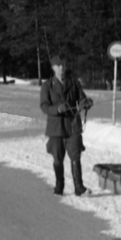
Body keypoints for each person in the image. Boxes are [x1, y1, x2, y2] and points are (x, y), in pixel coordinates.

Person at [40, 54, 93, 196]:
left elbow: (81, 98)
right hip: (56, 128)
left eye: (63, 64)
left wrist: (85, 103)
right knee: (58, 158)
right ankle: (59, 185)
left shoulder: (74, 83)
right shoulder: (47, 86)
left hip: (73, 126)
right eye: (58, 65)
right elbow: (44, 106)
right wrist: (57, 109)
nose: (62, 68)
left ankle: (79, 187)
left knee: (75, 155)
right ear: (53, 68)